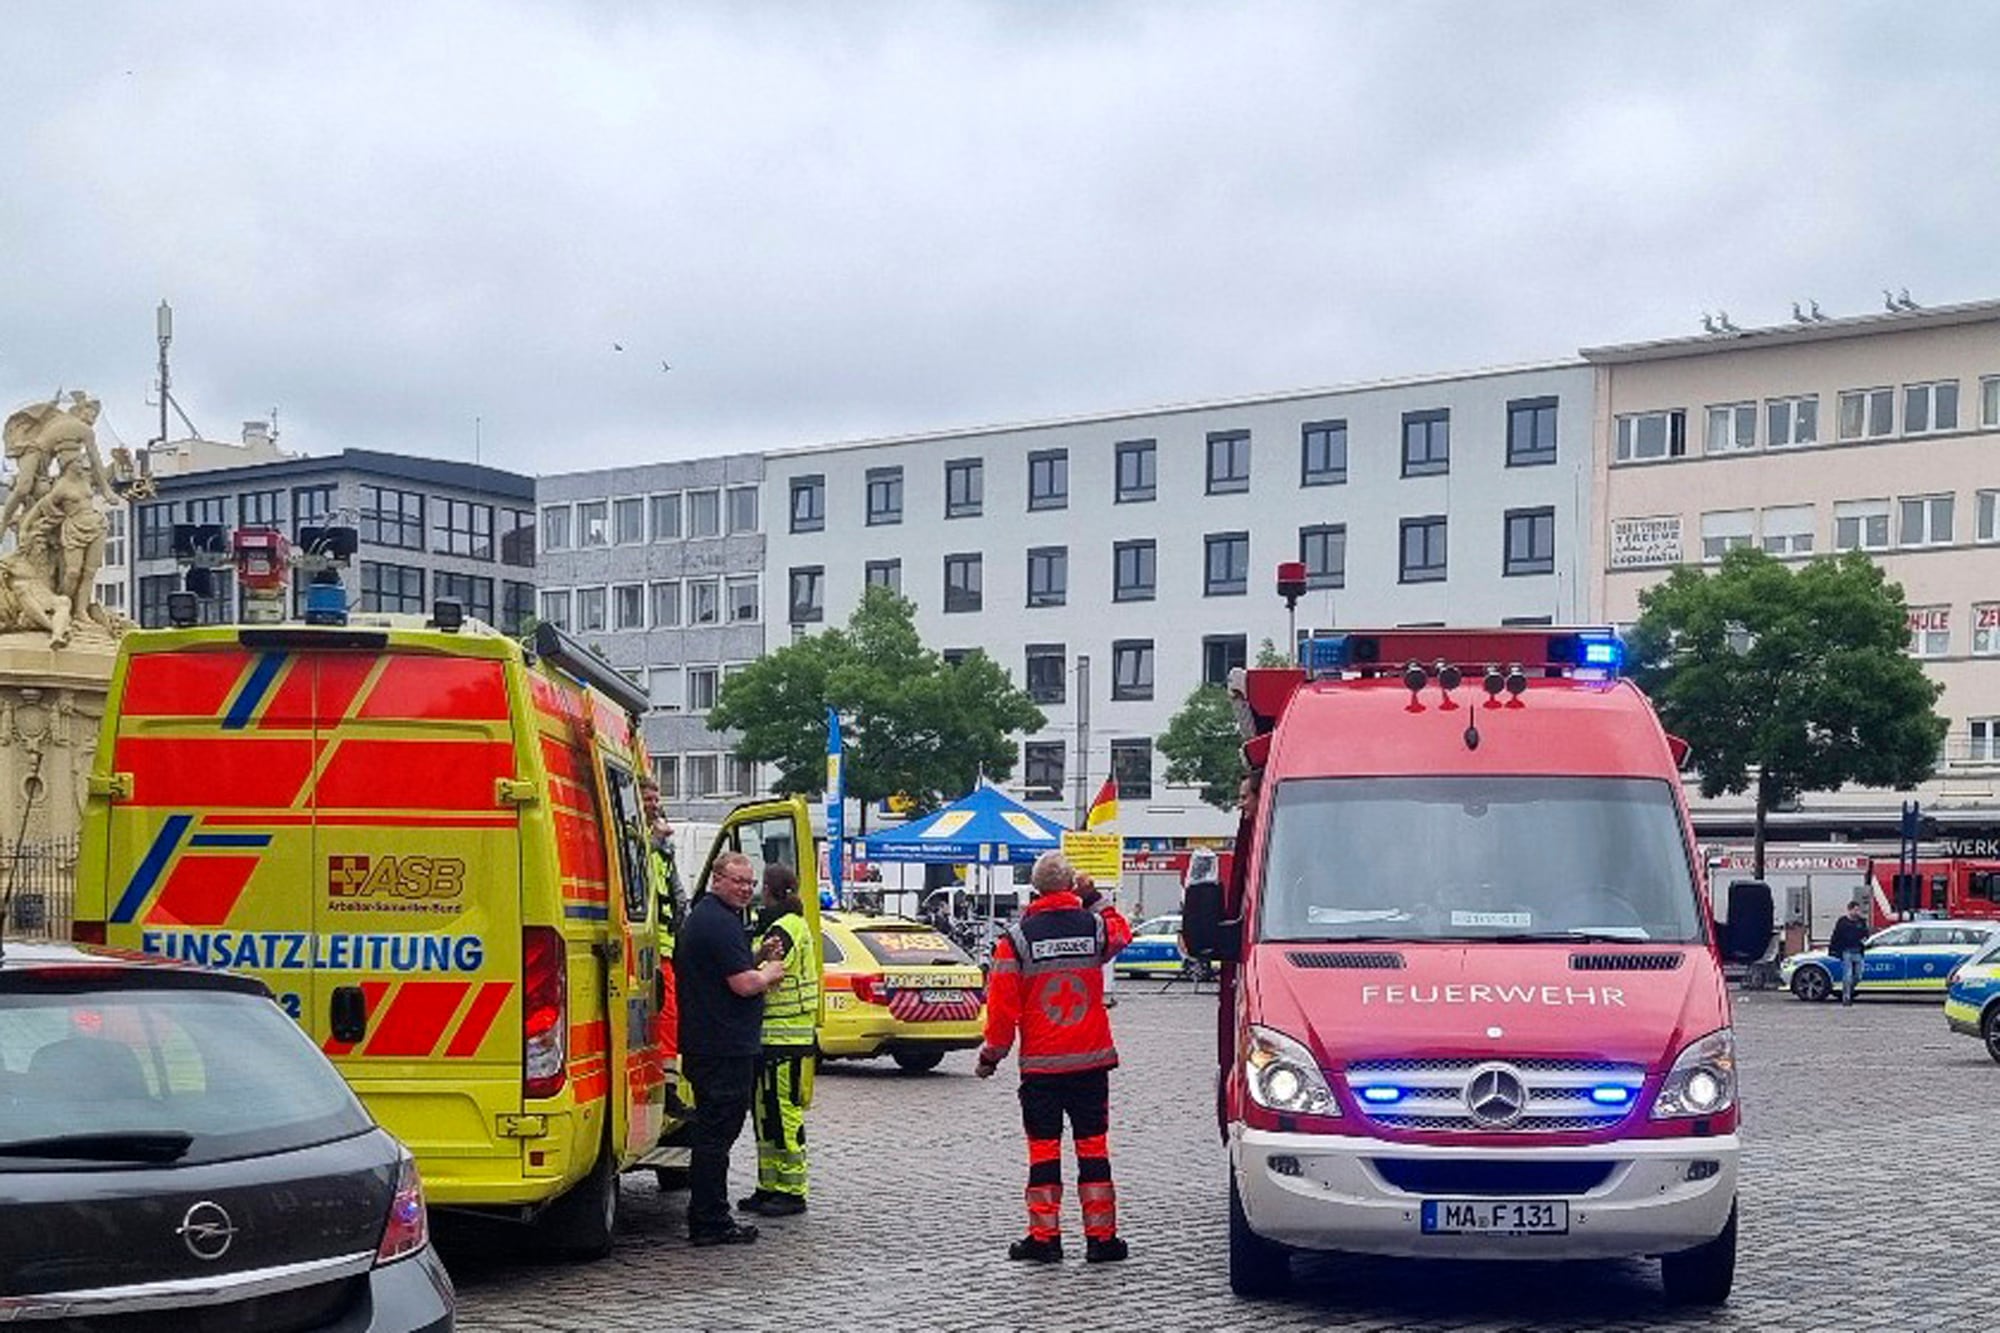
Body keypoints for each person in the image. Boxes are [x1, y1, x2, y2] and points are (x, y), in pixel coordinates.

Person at [976, 850, 1133, 1264]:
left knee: (1044, 1153)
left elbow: (1002, 1007)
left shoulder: (1016, 940)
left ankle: (1044, 1240)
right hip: (1091, 1064)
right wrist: (1095, 896)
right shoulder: (1096, 926)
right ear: (1069, 887)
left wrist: (992, 1056)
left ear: (1034, 889)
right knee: (1093, 1149)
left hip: (1042, 1068)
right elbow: (1122, 932)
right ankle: (1102, 1240)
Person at [674, 850, 788, 1245]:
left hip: (713, 1043)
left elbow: (725, 968)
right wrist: (769, 972)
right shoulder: (718, 923)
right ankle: (710, 1221)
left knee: (712, 1135)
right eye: (738, 881)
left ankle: (708, 1215)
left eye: (750, 883)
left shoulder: (712, 919)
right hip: (721, 1047)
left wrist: (754, 956)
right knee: (715, 1138)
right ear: (717, 880)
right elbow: (742, 984)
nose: (745, 889)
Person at [741, 864, 819, 1217]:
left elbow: (769, 972)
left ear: (770, 890)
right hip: (773, 1035)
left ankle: (791, 1189)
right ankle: (769, 1184)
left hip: (786, 1036)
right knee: (764, 1113)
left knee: (782, 1114)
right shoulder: (781, 923)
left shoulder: (785, 927)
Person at [1829, 899, 1871, 1006]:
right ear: (1849, 910)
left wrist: (1864, 940)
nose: (1857, 912)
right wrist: (1833, 950)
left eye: (1858, 910)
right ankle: (1846, 998)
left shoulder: (1861, 922)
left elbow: (1866, 934)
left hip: (1858, 951)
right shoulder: (1842, 922)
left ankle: (1848, 990)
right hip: (1846, 951)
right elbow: (1836, 936)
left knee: (1858, 975)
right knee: (1847, 975)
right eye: (1855, 910)